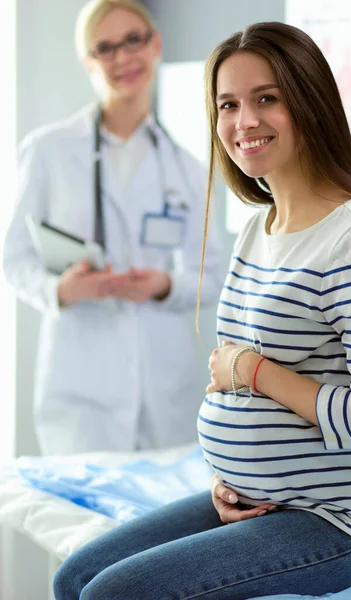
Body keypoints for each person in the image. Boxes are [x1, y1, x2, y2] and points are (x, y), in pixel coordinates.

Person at [52, 21, 351, 599]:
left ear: (310, 104)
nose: (243, 122)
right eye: (228, 105)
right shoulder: (258, 226)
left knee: (110, 594)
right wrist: (231, 478)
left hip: (347, 519)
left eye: (265, 99)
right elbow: (234, 382)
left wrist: (254, 372)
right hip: (256, 501)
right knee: (72, 576)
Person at [2, 0, 223, 456]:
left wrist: (164, 284)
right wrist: (62, 289)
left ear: (155, 45)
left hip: (165, 381)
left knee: (164, 521)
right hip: (82, 382)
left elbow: (213, 276)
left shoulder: (187, 167)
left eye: (133, 41)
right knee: (84, 525)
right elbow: (14, 259)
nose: (122, 58)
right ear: (88, 61)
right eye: (105, 48)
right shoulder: (48, 151)